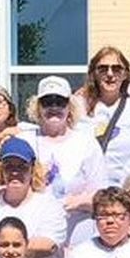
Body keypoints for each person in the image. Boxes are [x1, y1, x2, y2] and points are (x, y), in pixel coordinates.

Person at [32, 75, 107, 235]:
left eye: (60, 102)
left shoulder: (87, 143)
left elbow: (101, 195)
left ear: (69, 106)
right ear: (38, 107)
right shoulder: (26, 140)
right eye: (47, 102)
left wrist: (75, 202)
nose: (54, 107)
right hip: (36, 233)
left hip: (78, 234)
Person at [0, 138, 69, 258]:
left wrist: (2, 243)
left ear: (32, 170)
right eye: (9, 166)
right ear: (1, 170)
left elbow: (48, 246)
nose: (15, 172)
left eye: (22, 166)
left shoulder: (49, 205)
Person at [74, 45, 130, 184]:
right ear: (94, 73)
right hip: (87, 189)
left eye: (116, 69)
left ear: (126, 74)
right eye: (103, 69)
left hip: (124, 190)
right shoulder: (78, 106)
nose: (110, 74)